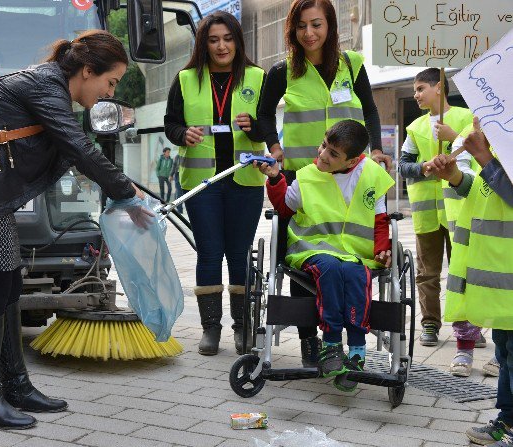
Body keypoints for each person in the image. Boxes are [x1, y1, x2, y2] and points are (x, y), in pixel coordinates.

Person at [0, 30, 151, 430]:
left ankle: (15, 386)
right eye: (110, 82)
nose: (109, 93)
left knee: (9, 283)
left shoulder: (50, 87)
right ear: (86, 70)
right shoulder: (46, 85)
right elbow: (77, 146)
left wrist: (120, 188)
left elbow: (72, 148)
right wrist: (123, 192)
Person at [256, 0, 390, 368]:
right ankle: (310, 340)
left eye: (316, 24)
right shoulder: (284, 70)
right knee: (295, 267)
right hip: (305, 173)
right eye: (301, 26)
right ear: (292, 29)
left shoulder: (352, 65)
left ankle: (350, 332)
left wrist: (376, 149)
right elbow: (264, 113)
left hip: (350, 171)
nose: (309, 33)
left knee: (344, 260)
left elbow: (371, 108)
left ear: (330, 25)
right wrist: (275, 147)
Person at [257, 119, 394, 392]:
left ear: (353, 159)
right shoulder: (307, 174)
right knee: (332, 269)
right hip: (312, 249)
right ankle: (331, 343)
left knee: (357, 274)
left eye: (333, 153)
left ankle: (356, 351)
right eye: (324, 146)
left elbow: (380, 219)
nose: (322, 155)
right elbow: (284, 208)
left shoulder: (372, 176)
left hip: (355, 254)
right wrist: (274, 178)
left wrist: (382, 249)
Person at [164, 10, 266, 356]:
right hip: (202, 183)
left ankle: (242, 328)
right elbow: (170, 124)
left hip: (246, 181)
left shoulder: (258, 76)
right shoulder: (185, 78)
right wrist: (182, 133)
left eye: (228, 38)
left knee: (239, 254)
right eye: (213, 40)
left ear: (237, 41)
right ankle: (211, 329)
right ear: (203, 44)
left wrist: (255, 125)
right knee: (209, 253)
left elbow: (270, 128)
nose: (221, 46)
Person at [429, 119, 513, 446]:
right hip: (502, 288)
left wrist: (485, 160)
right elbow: (483, 190)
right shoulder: (501, 155)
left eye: (484, 121)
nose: (475, 128)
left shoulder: (500, 156)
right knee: (506, 352)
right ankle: (506, 420)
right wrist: (453, 176)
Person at [397, 68, 477, 356]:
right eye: (415, 90)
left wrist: (454, 135)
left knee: (463, 270)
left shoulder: (467, 118)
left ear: (439, 86)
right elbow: (403, 166)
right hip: (427, 213)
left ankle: (468, 325)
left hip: (460, 208)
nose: (416, 95)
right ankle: (429, 323)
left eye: (420, 88)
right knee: (427, 272)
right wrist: (423, 167)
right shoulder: (415, 128)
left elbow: (482, 151)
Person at [426, 121, 494, 377]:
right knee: (465, 290)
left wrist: (484, 157)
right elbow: (467, 183)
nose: (478, 120)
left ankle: (501, 355)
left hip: (504, 237)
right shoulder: (467, 137)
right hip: (471, 229)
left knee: (502, 296)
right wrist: (452, 173)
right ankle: (464, 349)